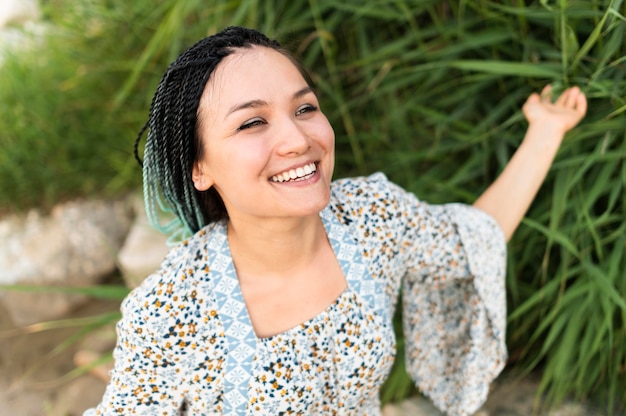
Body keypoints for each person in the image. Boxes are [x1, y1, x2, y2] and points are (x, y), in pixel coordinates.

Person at [85, 26, 587, 416]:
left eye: (305, 107)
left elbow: (472, 239)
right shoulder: (168, 314)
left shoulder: (371, 218)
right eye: (252, 122)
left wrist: (546, 132)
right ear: (200, 167)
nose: (298, 139)